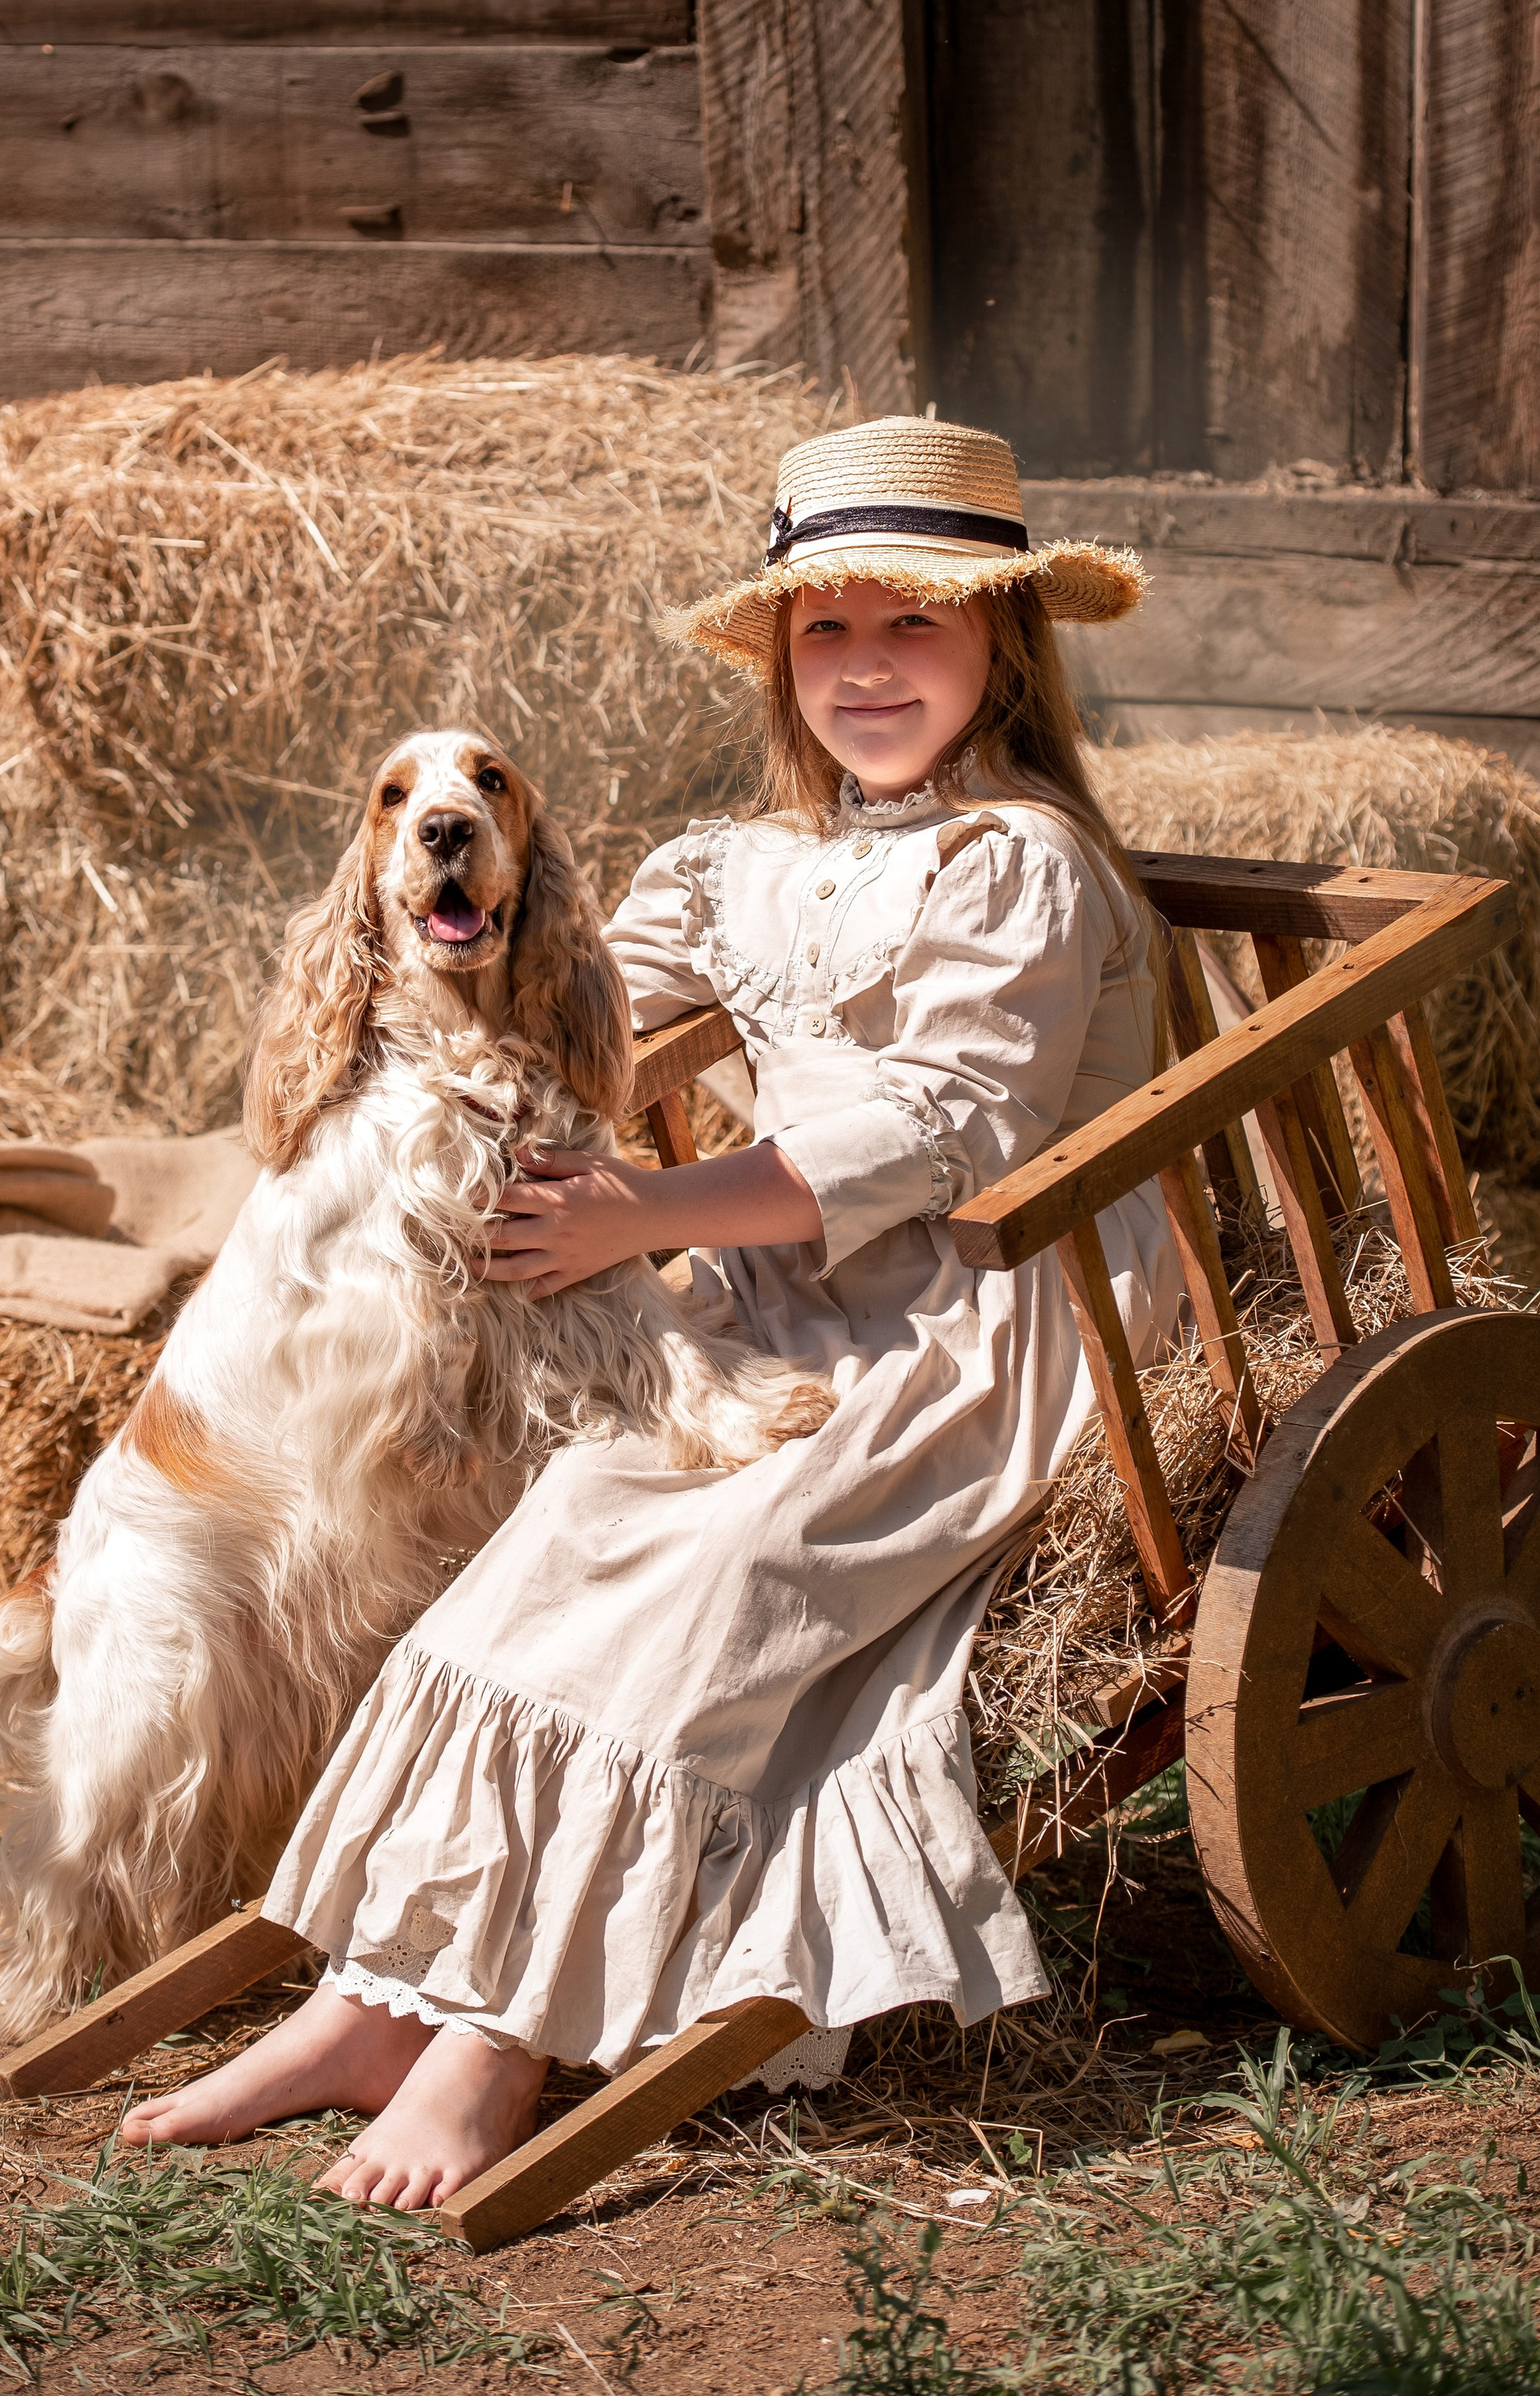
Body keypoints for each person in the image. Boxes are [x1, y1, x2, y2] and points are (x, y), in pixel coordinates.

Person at [122, 415, 1177, 2205]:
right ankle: (374, 1998)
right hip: (774, 1303)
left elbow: (946, 1124)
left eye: (910, 624)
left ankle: (498, 2040)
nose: (863, 666)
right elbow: (570, 990)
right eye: (824, 629)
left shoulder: (1023, 861)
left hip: (974, 1318)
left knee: (713, 1576)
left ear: (1003, 642)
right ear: (780, 659)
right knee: (554, 1540)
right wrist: (424, 954)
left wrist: (643, 1213)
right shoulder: (741, 860)